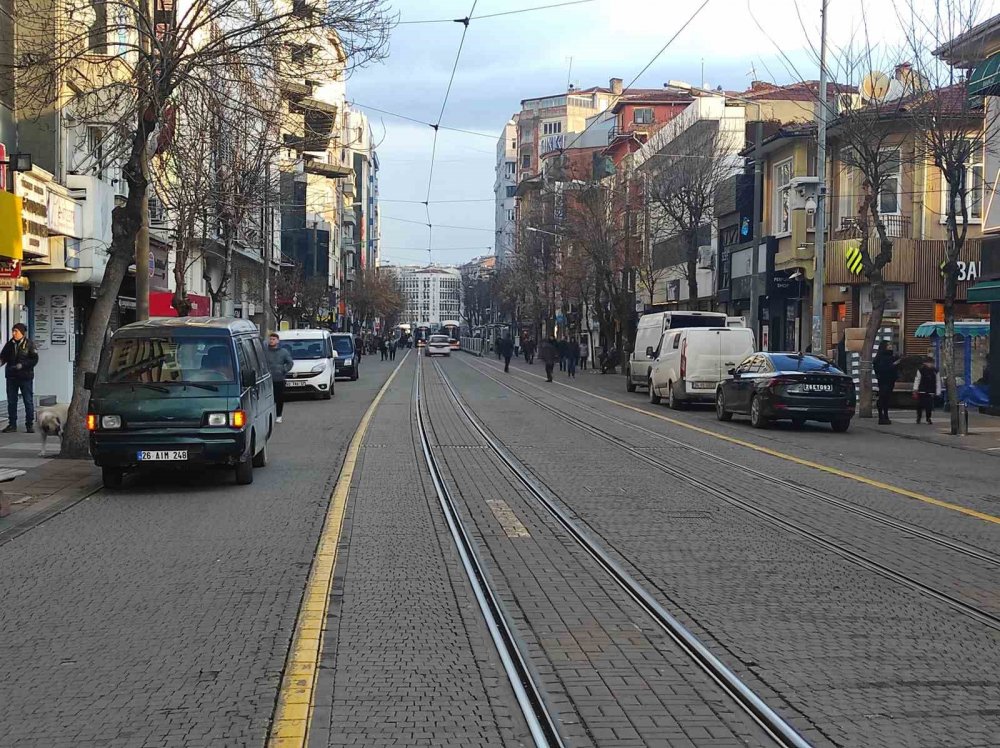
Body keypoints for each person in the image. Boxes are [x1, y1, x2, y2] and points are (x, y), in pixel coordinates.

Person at [1, 323, 39, 433]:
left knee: (28, 400)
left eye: (16, 331)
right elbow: (3, 356)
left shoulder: (29, 344)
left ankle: (29, 424)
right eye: (13, 331)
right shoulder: (10, 344)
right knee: (12, 401)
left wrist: (23, 365)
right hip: (12, 377)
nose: (14, 333)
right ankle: (12, 424)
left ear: (22, 333)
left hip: (25, 377)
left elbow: (35, 359)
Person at [265, 333, 294, 424]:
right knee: (267, 398)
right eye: (270, 339)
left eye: (273, 339)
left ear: (277, 341)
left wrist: (284, 370)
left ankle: (279, 415)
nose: (271, 341)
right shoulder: (264, 351)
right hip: (267, 379)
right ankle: (269, 415)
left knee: (279, 398)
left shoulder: (283, 352)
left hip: (279, 379)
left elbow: (290, 363)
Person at [873, 341, 899, 425]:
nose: (890, 346)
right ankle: (881, 416)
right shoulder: (880, 357)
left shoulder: (891, 356)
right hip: (883, 380)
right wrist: (893, 365)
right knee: (883, 397)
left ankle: (886, 415)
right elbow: (881, 369)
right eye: (888, 345)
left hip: (891, 380)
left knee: (887, 398)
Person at [912, 356, 943, 425]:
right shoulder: (921, 370)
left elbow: (938, 381)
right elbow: (917, 379)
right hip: (922, 390)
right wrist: (915, 389)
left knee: (929, 406)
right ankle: (919, 417)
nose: (930, 365)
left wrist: (938, 392)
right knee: (919, 405)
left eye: (931, 363)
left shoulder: (935, 371)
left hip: (930, 391)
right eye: (929, 363)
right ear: (925, 363)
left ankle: (928, 418)